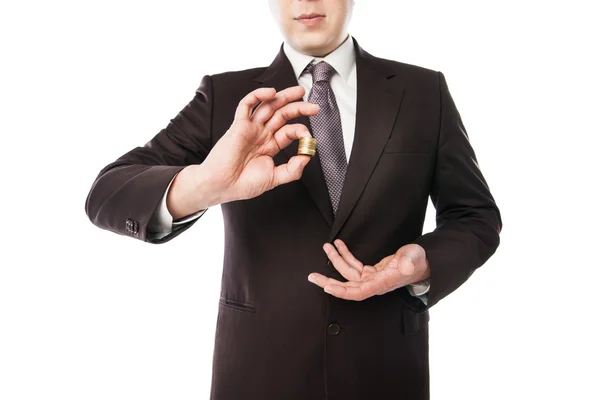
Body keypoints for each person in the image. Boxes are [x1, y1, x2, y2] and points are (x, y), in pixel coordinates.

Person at [85, 0, 502, 398]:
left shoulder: (423, 91)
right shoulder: (226, 97)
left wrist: (420, 264)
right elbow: (108, 191)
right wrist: (207, 185)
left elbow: (475, 216)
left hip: (385, 373)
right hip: (259, 375)